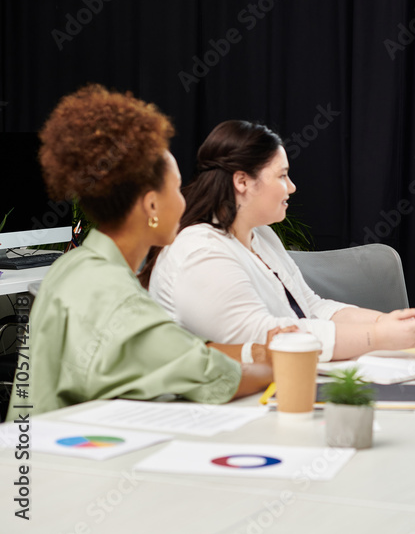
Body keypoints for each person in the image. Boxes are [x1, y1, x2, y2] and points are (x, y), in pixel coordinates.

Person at [7, 85, 275, 417]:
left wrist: (253, 351)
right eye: (177, 188)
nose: (184, 199)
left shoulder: (72, 267)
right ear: (151, 205)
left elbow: (172, 352)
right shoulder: (116, 296)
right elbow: (218, 377)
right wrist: (283, 362)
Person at [145, 120, 415, 361]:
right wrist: (377, 337)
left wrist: (386, 322)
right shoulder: (200, 251)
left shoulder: (261, 235)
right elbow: (267, 338)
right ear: (242, 181)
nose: (291, 187)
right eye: (282, 176)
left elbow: (311, 307)